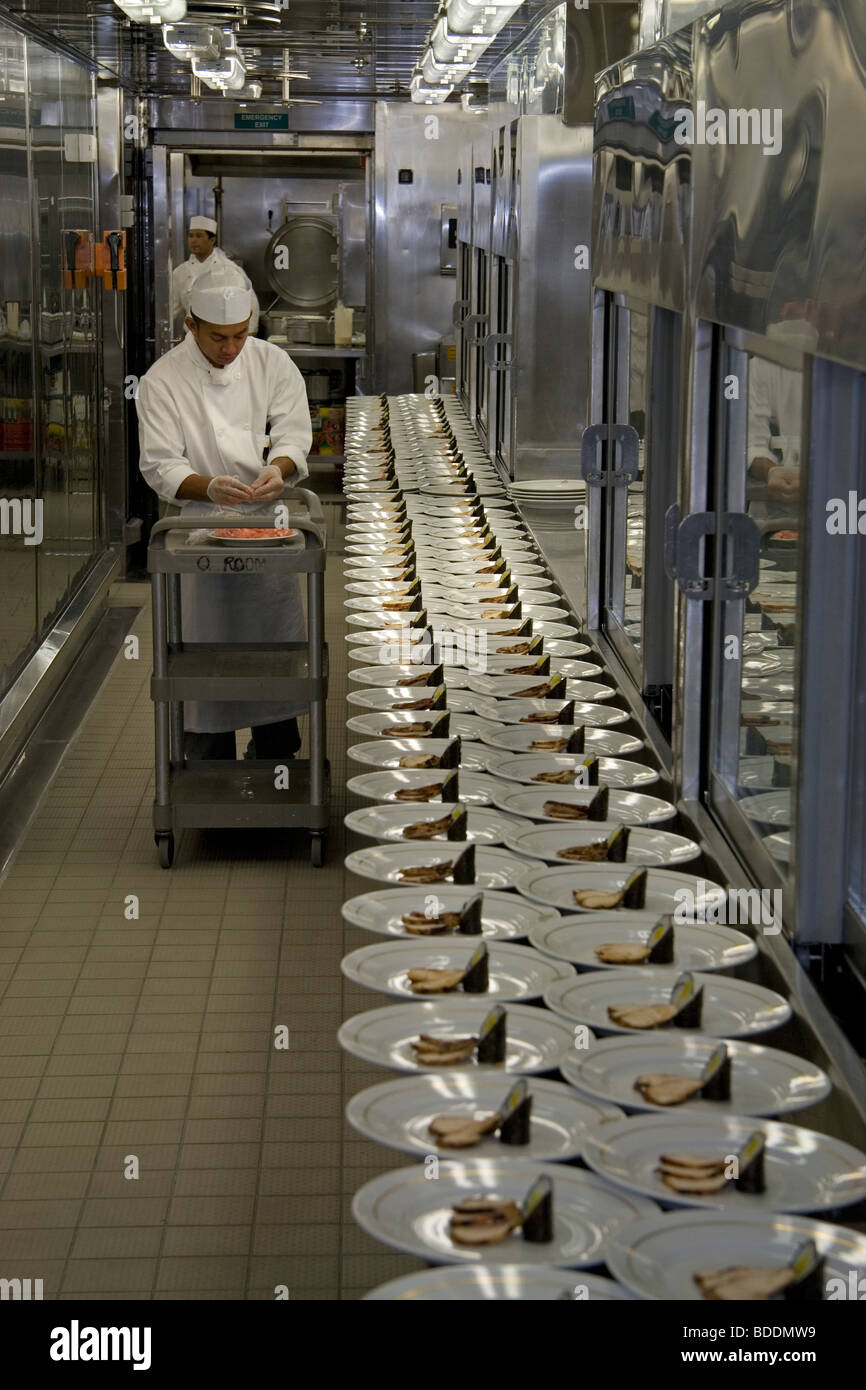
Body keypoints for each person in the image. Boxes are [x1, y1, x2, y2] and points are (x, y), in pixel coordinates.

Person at [137, 269, 313, 762]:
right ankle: (209, 773)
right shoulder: (163, 379)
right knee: (205, 659)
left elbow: (294, 435)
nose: (231, 348)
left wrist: (279, 470)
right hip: (196, 528)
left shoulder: (271, 362)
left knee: (270, 654)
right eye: (219, 337)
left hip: (265, 524)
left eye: (240, 335)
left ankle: (276, 765)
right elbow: (159, 462)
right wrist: (209, 485)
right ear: (191, 325)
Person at [170, 215, 261, 338]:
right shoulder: (180, 272)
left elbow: (250, 303)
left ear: (212, 240)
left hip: (221, 338)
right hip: (192, 338)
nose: (193, 240)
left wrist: (248, 336)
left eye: (199, 236)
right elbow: (171, 309)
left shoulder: (229, 269)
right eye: (191, 236)